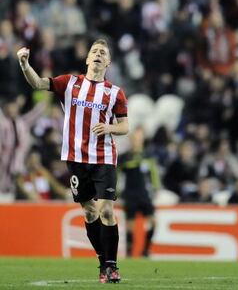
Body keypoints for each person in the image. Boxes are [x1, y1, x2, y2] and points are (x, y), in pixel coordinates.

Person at [16, 39, 129, 284]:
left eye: (103, 53)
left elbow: (125, 126)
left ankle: (112, 266)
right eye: (94, 51)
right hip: (75, 159)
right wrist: (25, 64)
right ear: (88, 59)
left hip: (104, 158)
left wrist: (109, 127)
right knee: (89, 213)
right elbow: (37, 83)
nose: (98, 54)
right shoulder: (70, 83)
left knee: (107, 210)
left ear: (107, 62)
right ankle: (103, 263)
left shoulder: (114, 93)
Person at [118, 126, 160, 257]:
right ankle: (130, 253)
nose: (136, 141)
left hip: (144, 193)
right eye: (134, 138)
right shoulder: (124, 158)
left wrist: (156, 188)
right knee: (130, 225)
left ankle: (146, 250)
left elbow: (154, 174)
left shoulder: (148, 156)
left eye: (139, 138)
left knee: (153, 222)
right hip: (130, 194)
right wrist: (116, 192)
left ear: (142, 140)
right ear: (130, 140)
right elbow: (116, 175)